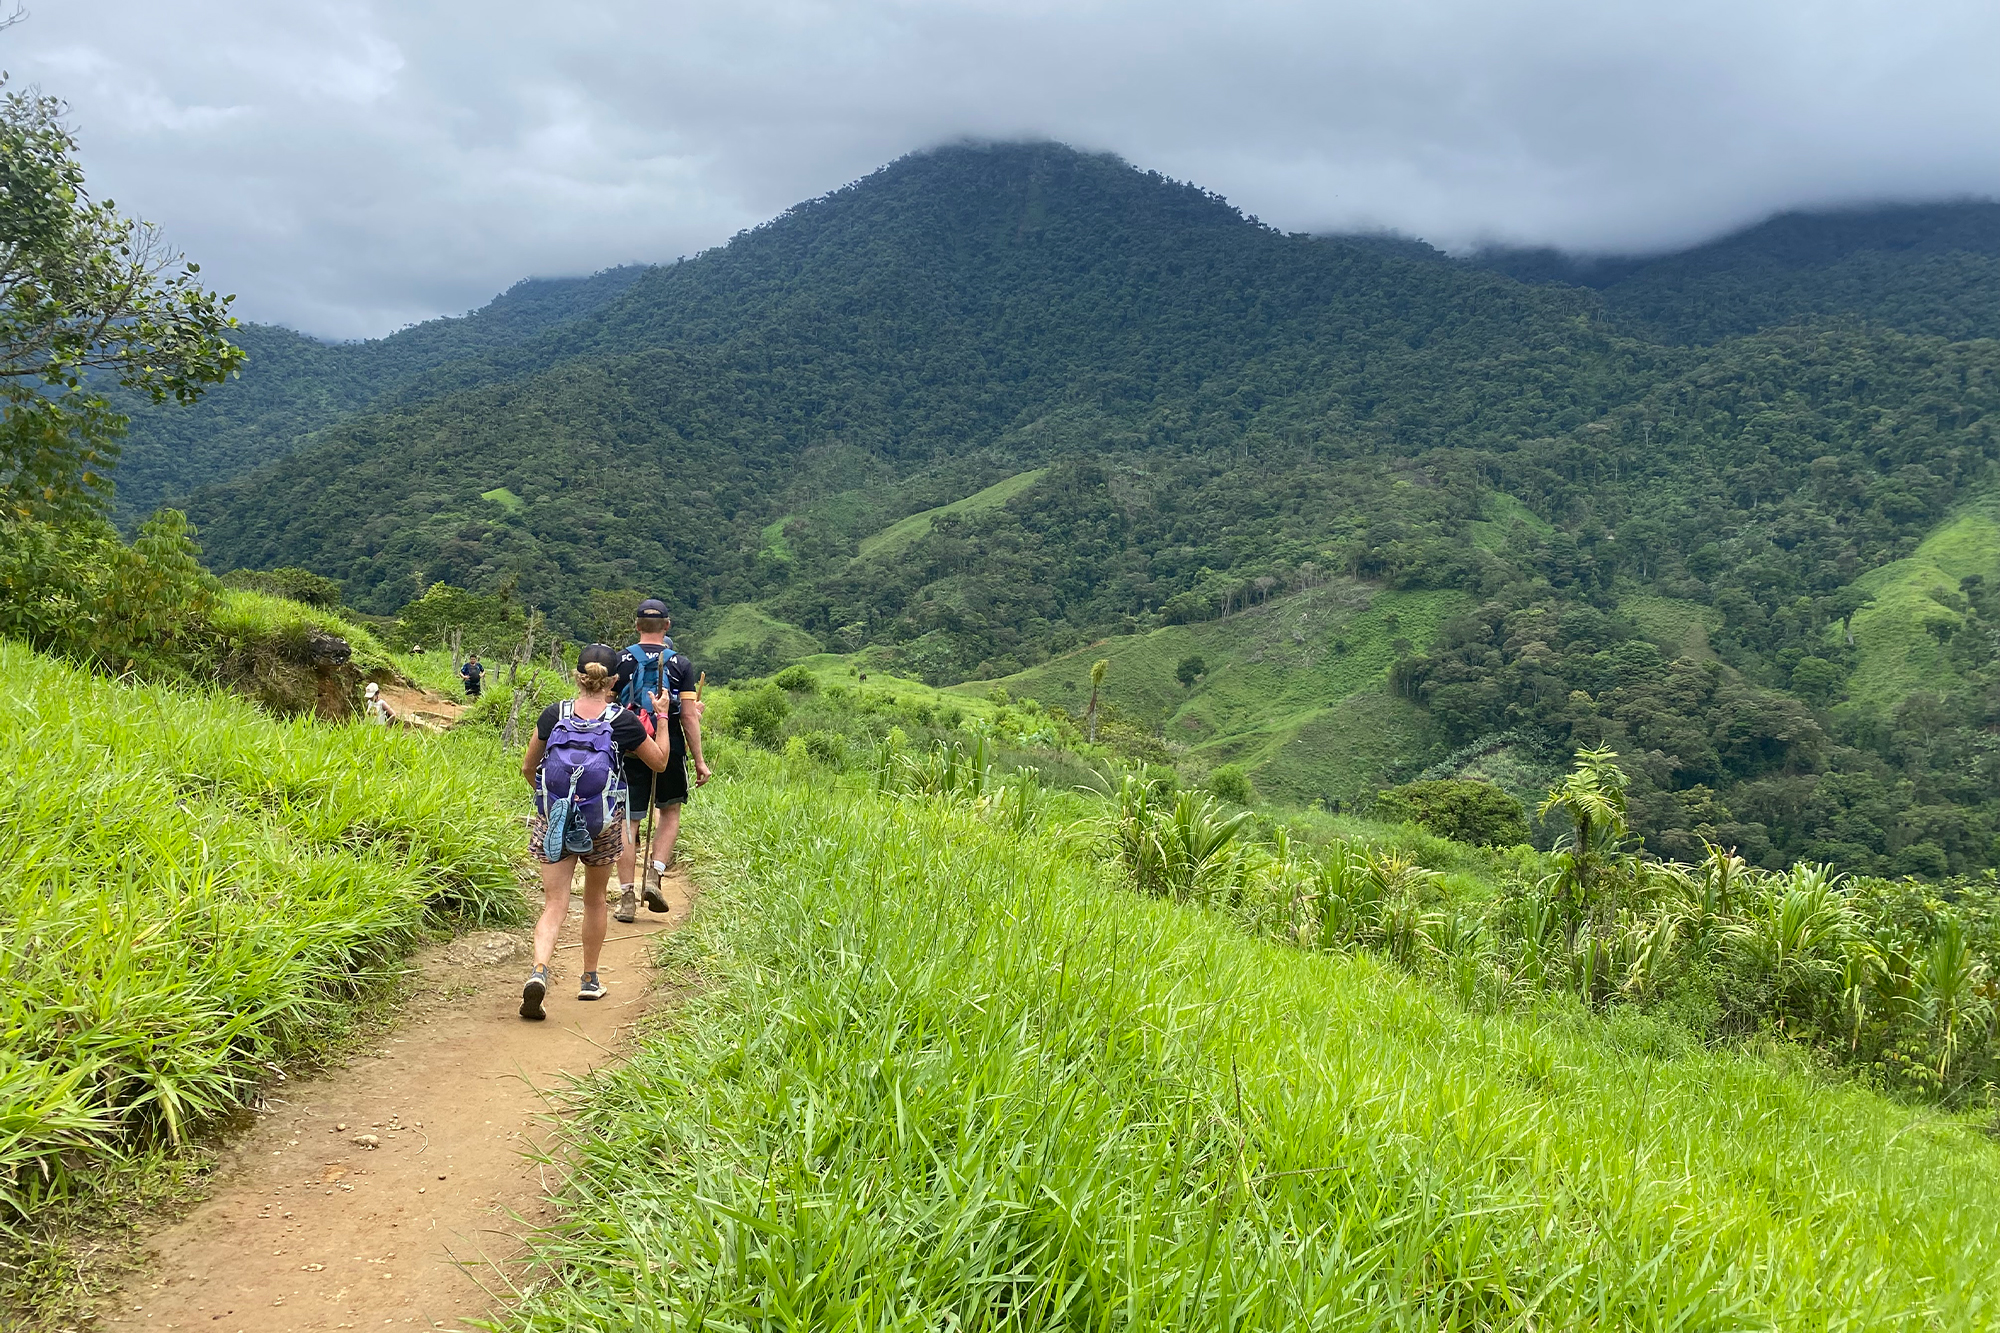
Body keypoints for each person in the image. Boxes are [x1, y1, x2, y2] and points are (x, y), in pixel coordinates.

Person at [517, 643, 672, 1020]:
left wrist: (552, 806)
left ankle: (539, 971)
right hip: (601, 823)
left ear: (577, 676)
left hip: (554, 818)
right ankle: (589, 979)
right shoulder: (623, 721)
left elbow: (528, 768)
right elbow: (660, 762)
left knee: (554, 903)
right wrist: (663, 716)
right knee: (594, 900)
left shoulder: (554, 714)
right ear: (614, 680)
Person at [612, 598, 710, 923]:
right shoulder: (680, 663)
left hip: (629, 748)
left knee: (628, 821)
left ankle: (627, 896)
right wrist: (699, 760)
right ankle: (654, 875)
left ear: (637, 625)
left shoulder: (620, 660)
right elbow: (689, 717)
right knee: (669, 811)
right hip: (669, 747)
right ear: (667, 626)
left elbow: (606, 709)